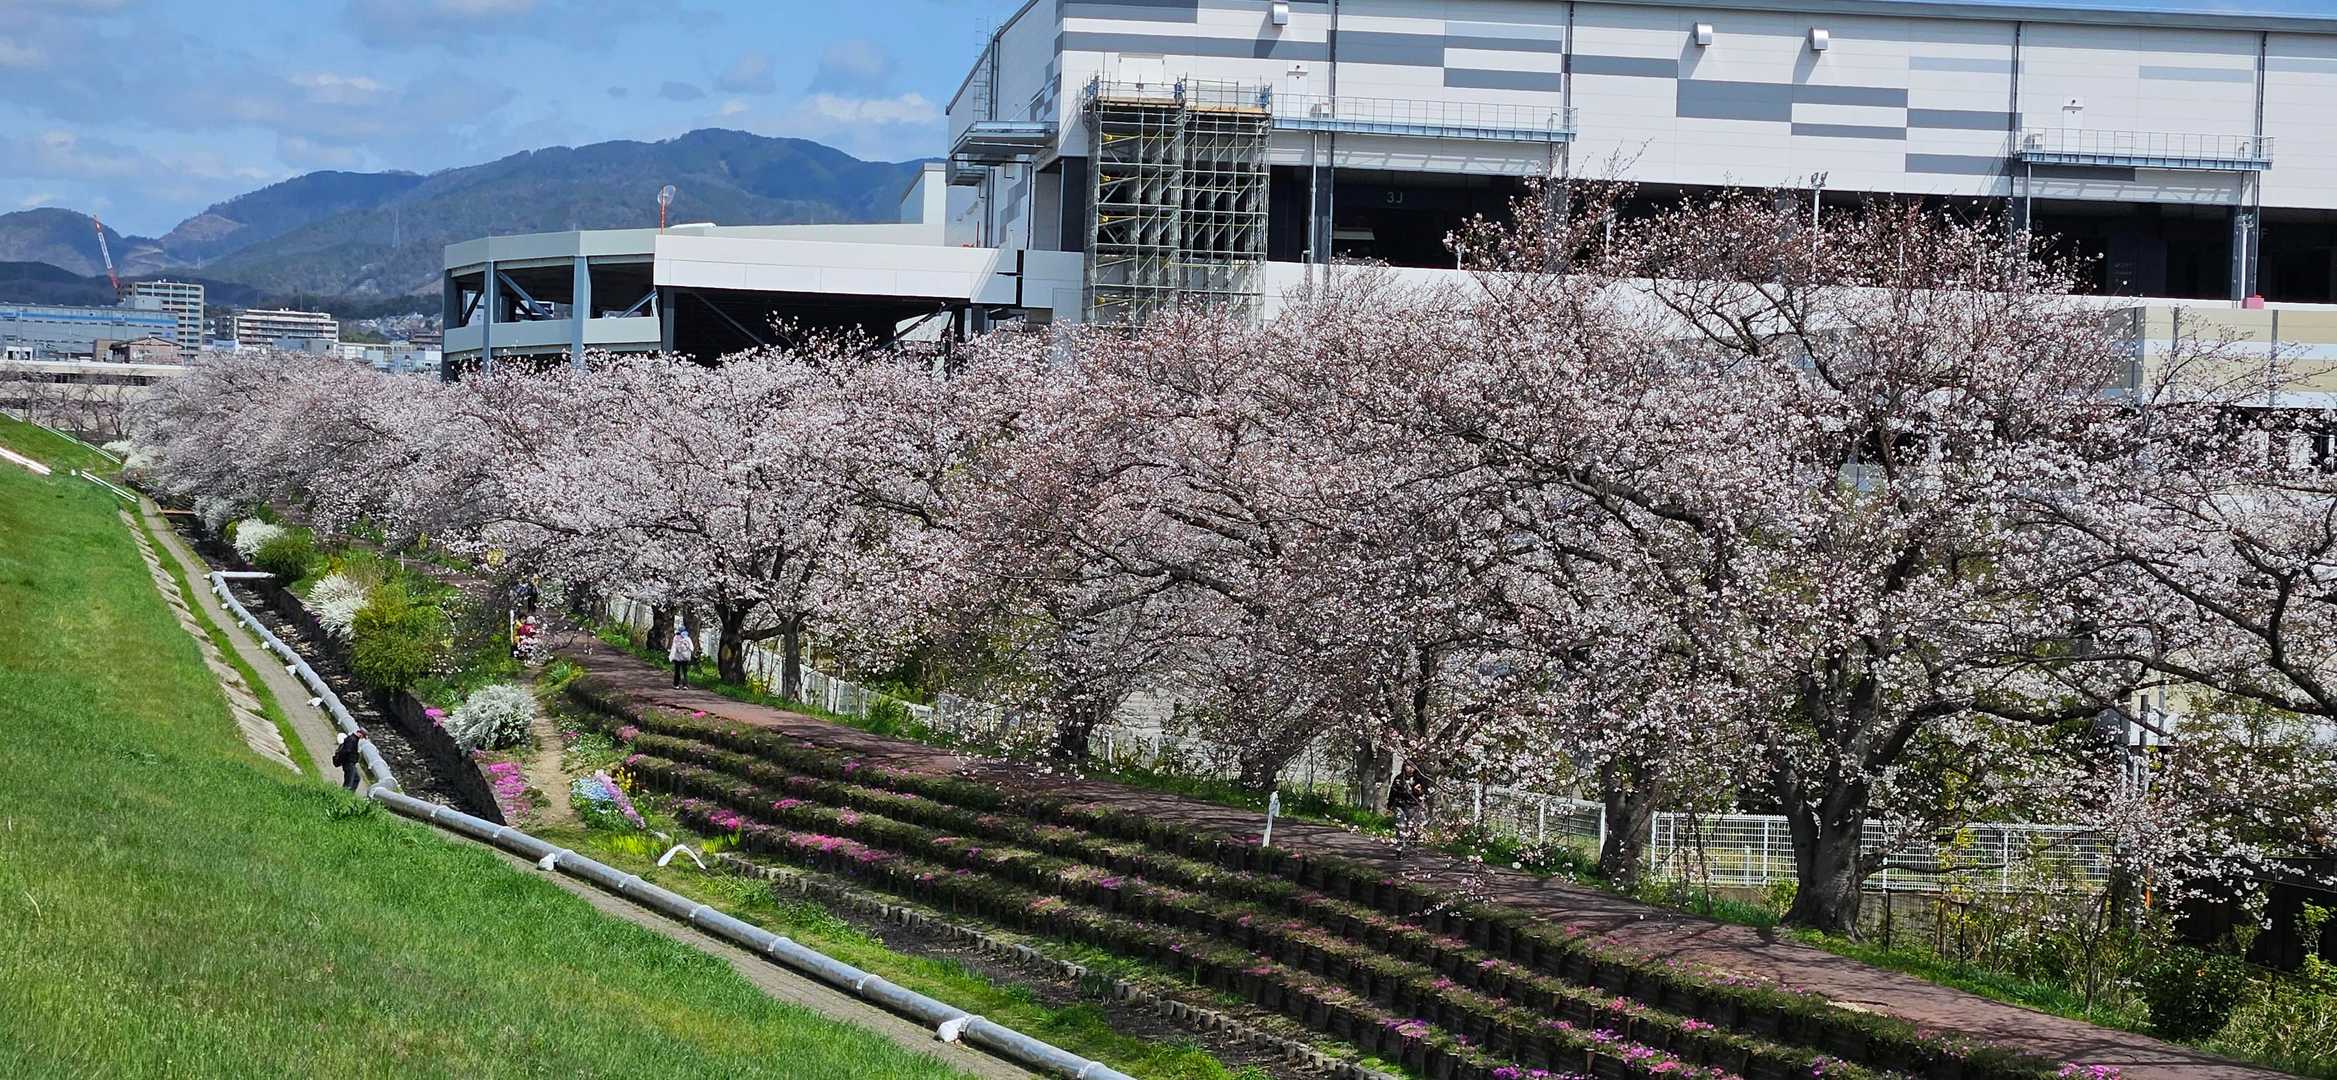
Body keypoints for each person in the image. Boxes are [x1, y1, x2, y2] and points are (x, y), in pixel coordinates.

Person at [1387, 760, 1431, 856]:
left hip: (1414, 807)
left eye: (1412, 766)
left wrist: (1419, 791)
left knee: (1413, 828)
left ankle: (1411, 845)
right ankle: (1400, 848)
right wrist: (1389, 806)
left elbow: (1426, 793)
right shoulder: (1399, 779)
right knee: (1400, 826)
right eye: (1408, 766)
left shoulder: (1420, 779)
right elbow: (1393, 792)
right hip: (1401, 805)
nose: (1410, 768)